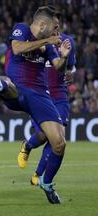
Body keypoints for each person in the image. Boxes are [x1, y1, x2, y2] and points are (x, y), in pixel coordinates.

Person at [0, 5, 71, 204]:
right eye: (55, 27)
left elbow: (58, 68)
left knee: (59, 143)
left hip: (40, 95)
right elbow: (17, 48)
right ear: (43, 24)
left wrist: (63, 56)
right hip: (18, 90)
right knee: (8, 84)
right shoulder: (22, 29)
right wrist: (47, 41)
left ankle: (46, 183)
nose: (57, 31)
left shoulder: (50, 45)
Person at [17, 31, 76, 186]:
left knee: (57, 138)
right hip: (40, 94)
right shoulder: (35, 42)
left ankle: (38, 174)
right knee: (43, 135)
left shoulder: (67, 41)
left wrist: (70, 73)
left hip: (59, 95)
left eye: (56, 26)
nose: (54, 29)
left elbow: (71, 67)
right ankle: (27, 146)